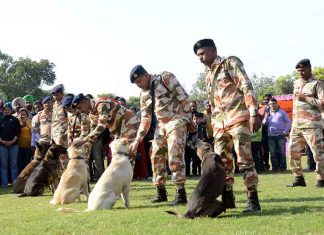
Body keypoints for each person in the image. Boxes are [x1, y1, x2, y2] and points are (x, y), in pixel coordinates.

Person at [193, 38, 261, 212]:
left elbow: (246, 86)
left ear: (214, 50)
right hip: (219, 125)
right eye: (198, 55)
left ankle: (253, 200)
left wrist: (254, 113)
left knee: (245, 161)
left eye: (203, 53)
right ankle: (228, 198)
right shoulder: (208, 75)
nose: (200, 58)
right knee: (222, 164)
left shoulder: (229, 63)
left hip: (238, 118)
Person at [128, 65, 193, 206]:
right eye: (136, 83)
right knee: (155, 156)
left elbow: (183, 98)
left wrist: (190, 119)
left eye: (139, 81)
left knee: (175, 154)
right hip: (160, 127)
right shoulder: (144, 95)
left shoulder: (165, 78)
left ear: (146, 75)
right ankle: (161, 192)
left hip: (177, 120)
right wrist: (137, 141)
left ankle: (180, 193)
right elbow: (145, 119)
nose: (138, 85)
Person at [287, 59, 324, 188]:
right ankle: (298, 178)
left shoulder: (317, 84)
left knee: (318, 153)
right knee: (292, 152)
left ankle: (321, 178)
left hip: (312, 124)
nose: (301, 73)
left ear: (309, 69)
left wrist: (306, 98)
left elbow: (322, 104)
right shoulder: (296, 83)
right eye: (298, 71)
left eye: (303, 70)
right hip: (297, 124)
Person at [262, 98, 291, 172]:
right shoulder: (267, 113)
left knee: (282, 153)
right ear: (269, 105)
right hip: (270, 136)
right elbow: (263, 123)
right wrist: (266, 117)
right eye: (271, 104)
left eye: (273, 103)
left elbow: (288, 121)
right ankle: (275, 169)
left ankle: (283, 168)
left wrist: (285, 131)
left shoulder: (282, 112)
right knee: (273, 154)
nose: (272, 105)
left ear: (276, 104)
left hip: (280, 136)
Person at [0, 102, 21, 187]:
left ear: (11, 110)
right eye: (5, 109)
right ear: (3, 110)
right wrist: (2, 141)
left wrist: (12, 141)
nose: (7, 111)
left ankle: (14, 183)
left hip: (14, 145)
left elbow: (18, 132)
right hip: (2, 145)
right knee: (3, 164)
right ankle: (4, 184)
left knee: (13, 164)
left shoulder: (15, 120)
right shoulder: (0, 120)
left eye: (8, 109)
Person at [17, 108, 33, 174]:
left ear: (27, 115)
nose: (22, 116)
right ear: (19, 115)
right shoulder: (17, 122)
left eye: (24, 114)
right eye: (21, 114)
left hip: (28, 146)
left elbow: (32, 132)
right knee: (20, 162)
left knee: (27, 162)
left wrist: (26, 123)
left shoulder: (30, 121)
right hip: (19, 146)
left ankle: (27, 176)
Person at [260, 94, 272, 171]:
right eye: (265, 99)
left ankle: (267, 165)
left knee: (267, 150)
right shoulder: (261, 108)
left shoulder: (272, 108)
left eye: (268, 99)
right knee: (262, 150)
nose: (266, 101)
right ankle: (263, 165)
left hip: (270, 131)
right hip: (262, 132)